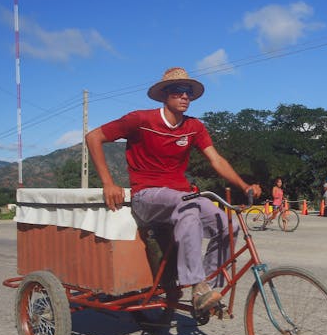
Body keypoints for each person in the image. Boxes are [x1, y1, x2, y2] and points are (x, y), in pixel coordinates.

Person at [86, 67, 262, 314]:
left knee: (228, 225)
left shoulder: (194, 127)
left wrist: (244, 185)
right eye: (178, 91)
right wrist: (108, 182)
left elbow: (216, 160)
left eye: (188, 92)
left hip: (182, 196)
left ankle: (208, 288)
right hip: (147, 196)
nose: (184, 96)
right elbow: (93, 137)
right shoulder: (140, 120)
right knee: (188, 206)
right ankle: (196, 285)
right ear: (164, 95)